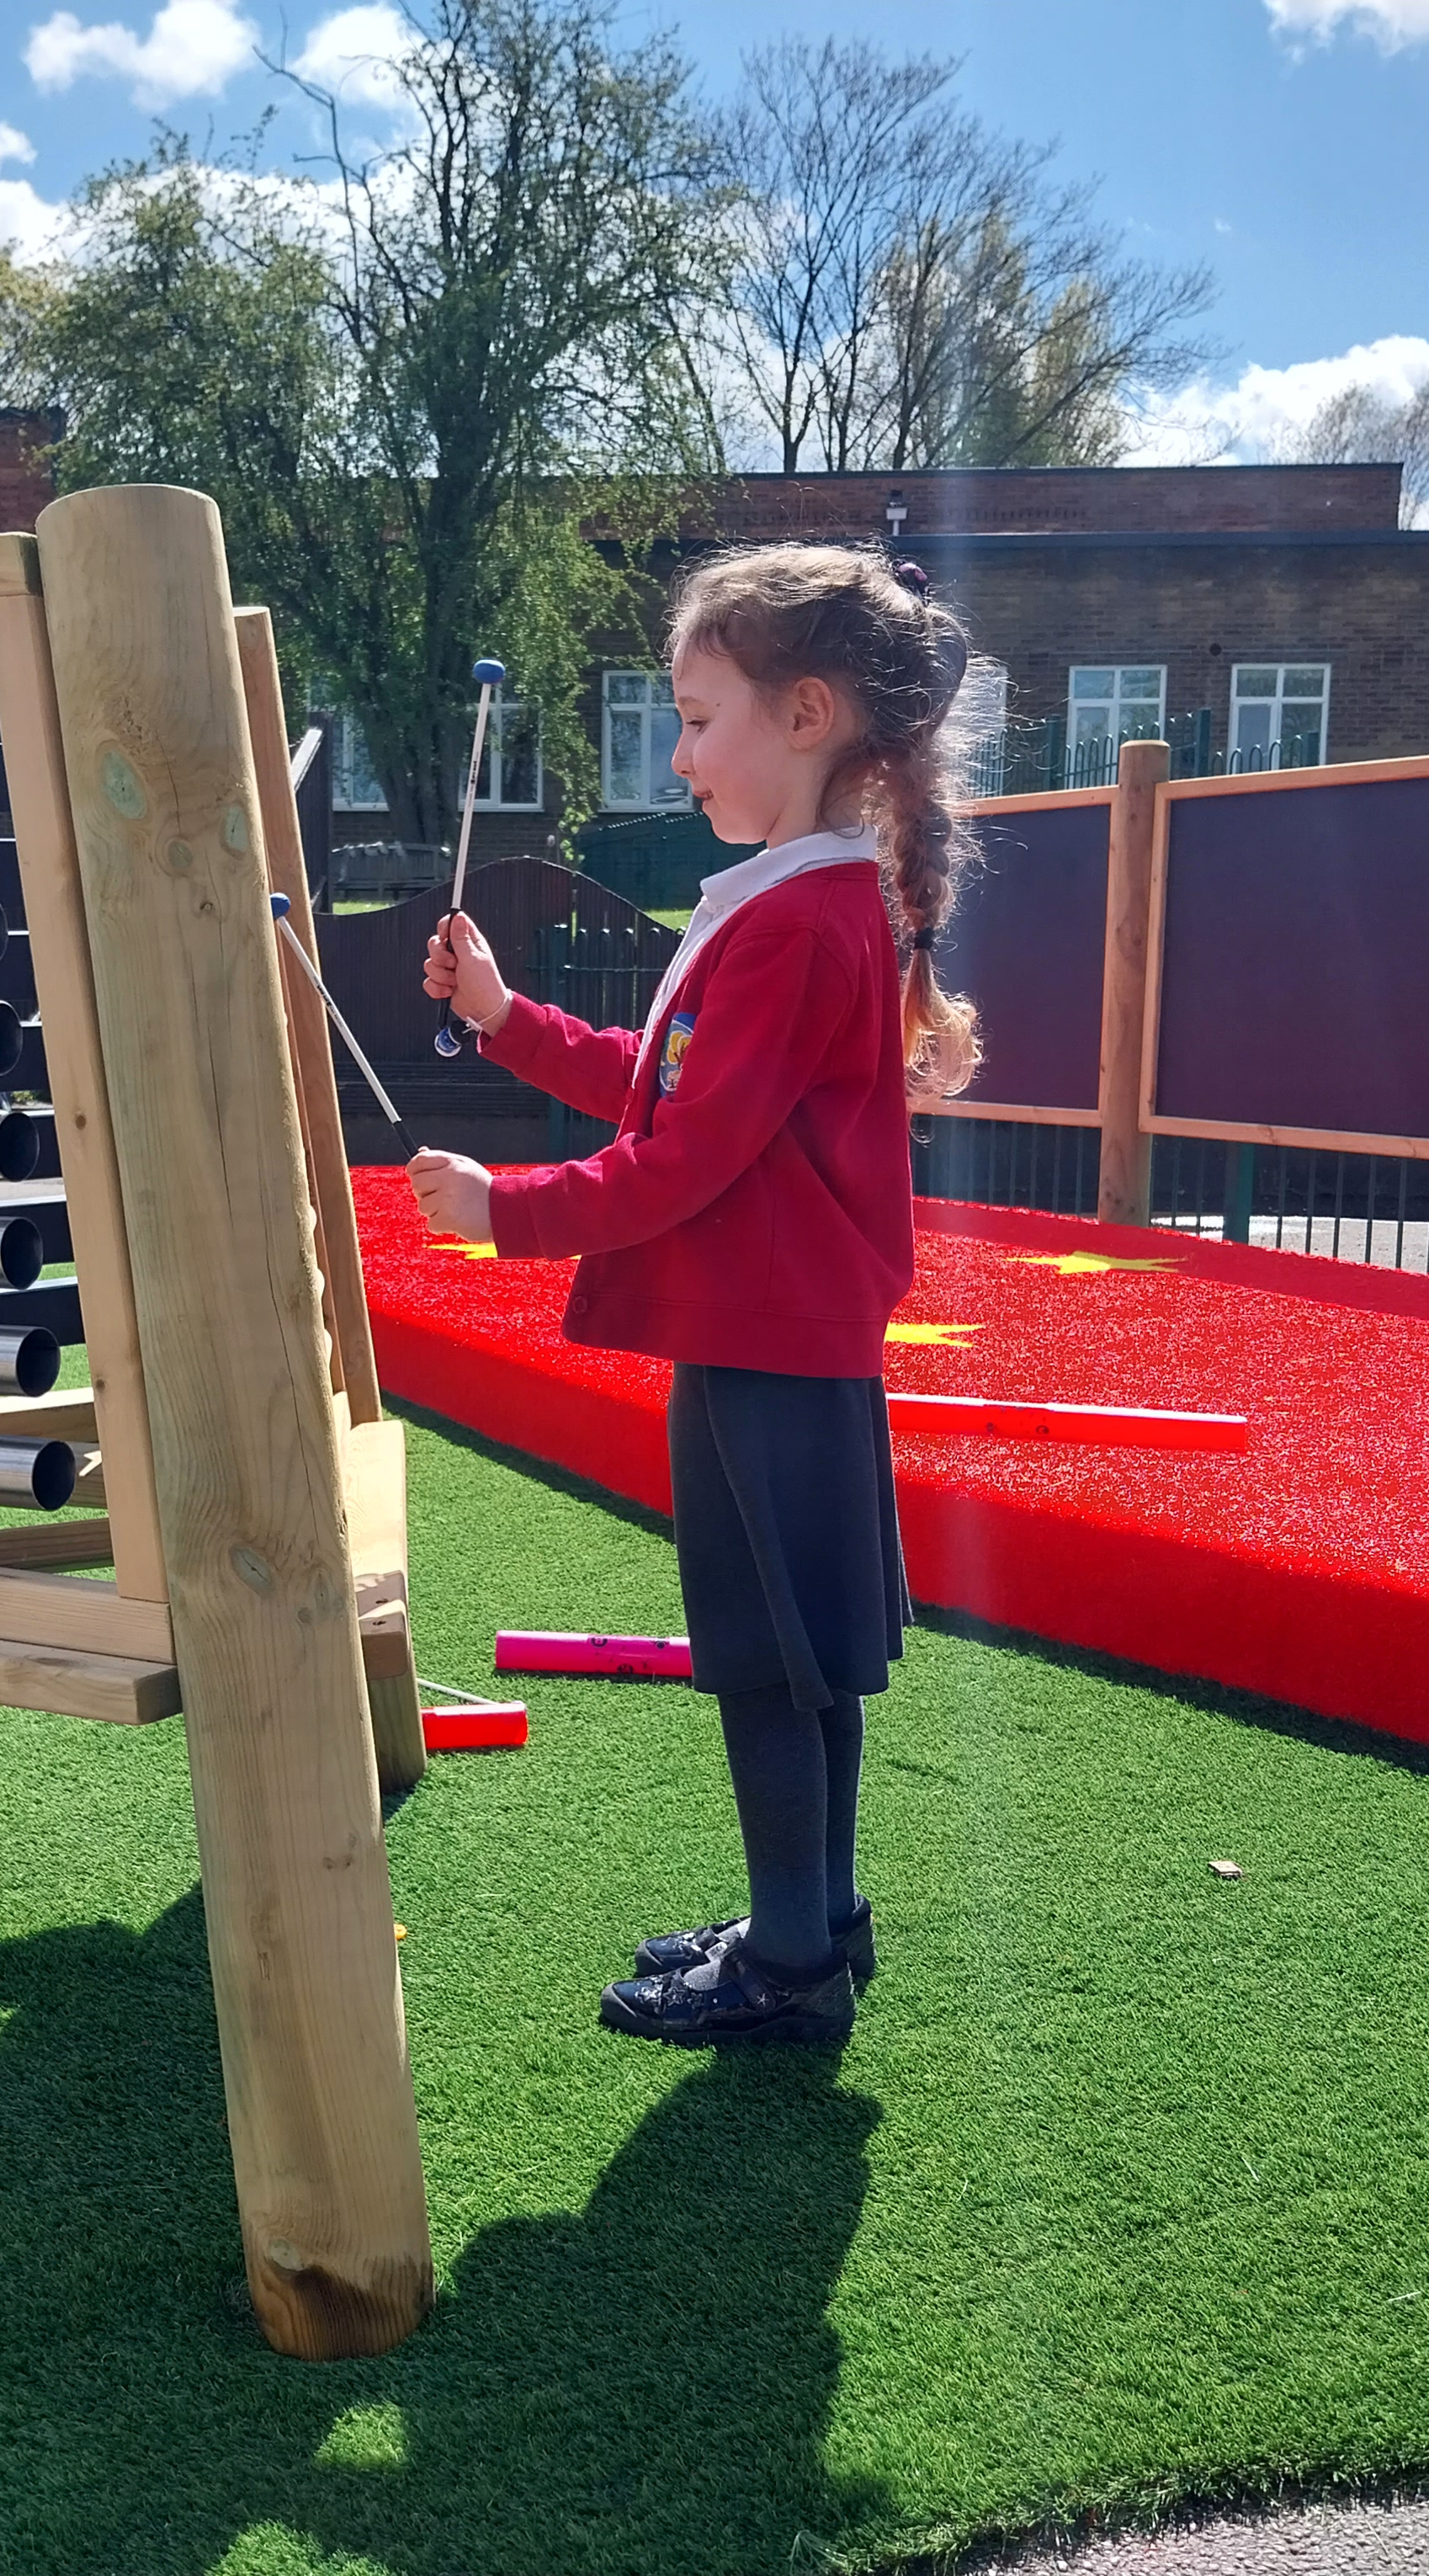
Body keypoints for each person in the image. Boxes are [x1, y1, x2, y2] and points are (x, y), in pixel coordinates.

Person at [409, 545, 979, 2049]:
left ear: (805, 714)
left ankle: (792, 1960)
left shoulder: (801, 921)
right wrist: (505, 1018)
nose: (679, 748)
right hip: (774, 1338)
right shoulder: (792, 900)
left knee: (767, 1655)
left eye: (700, 712)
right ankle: (816, 1923)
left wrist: (501, 1212)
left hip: (766, 1344)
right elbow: (664, 1087)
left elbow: (687, 1159)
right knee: (800, 1651)